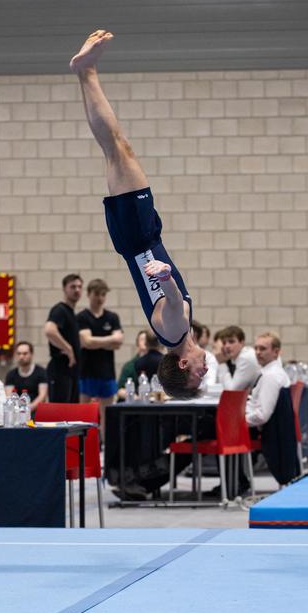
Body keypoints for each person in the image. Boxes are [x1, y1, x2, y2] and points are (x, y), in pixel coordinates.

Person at [70, 30, 208, 400]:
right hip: (134, 240)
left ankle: (87, 71)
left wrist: (165, 277)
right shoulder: (172, 334)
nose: (205, 370)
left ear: (182, 366)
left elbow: (174, 302)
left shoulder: (177, 332)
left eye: (198, 376)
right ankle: (86, 73)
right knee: (114, 149)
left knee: (118, 148)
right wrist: (162, 280)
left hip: (141, 237)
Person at [76, 278, 123, 438]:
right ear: (88, 294)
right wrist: (108, 340)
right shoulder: (82, 317)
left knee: (107, 416)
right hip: (87, 372)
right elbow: (86, 342)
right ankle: (85, 449)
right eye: (96, 294)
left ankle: (106, 450)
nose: (100, 298)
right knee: (83, 415)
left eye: (103, 294)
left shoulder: (112, 317)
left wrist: (95, 342)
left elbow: (119, 342)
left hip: (107, 373)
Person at [45, 273, 83, 403]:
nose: (77, 290)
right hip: (60, 369)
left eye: (79, 287)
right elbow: (49, 330)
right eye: (73, 287)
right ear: (64, 288)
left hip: (71, 371)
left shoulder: (71, 313)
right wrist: (68, 349)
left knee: (70, 414)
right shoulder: (60, 310)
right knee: (59, 414)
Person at [246, 332, 290, 427]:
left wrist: (237, 421)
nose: (258, 352)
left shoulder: (271, 376)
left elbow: (262, 415)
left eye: (262, 349)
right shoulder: (272, 372)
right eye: (256, 348)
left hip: (260, 431)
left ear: (276, 352)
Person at [5, 341, 48, 414]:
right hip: (17, 412)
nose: (21, 357)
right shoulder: (11, 374)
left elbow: (42, 395)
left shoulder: (41, 372)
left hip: (36, 411)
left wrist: (29, 409)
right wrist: (19, 410)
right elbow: (9, 396)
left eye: (25, 353)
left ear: (31, 354)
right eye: (19, 354)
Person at [215, 325, 260, 390]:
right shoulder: (239, 357)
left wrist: (221, 363)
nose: (227, 346)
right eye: (224, 343)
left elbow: (232, 390)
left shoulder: (245, 358)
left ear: (242, 343)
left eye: (231, 342)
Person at [117, 329, 147, 401]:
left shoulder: (158, 364)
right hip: (133, 403)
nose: (145, 342)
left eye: (147, 340)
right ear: (137, 344)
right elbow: (120, 391)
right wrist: (134, 397)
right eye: (142, 339)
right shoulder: (129, 366)